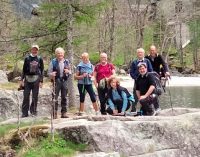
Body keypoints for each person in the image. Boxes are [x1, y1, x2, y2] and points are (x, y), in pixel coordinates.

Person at [20, 44, 44, 117]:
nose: (34, 51)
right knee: (26, 96)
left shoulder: (40, 58)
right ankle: (24, 113)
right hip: (27, 79)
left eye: (36, 49)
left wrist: (41, 81)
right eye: (33, 49)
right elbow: (23, 69)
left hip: (36, 79)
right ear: (31, 50)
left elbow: (42, 70)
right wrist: (21, 80)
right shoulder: (27, 58)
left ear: (38, 50)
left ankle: (33, 111)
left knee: (35, 96)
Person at [48, 47, 71, 119]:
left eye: (61, 53)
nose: (60, 54)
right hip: (56, 81)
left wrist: (68, 72)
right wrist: (52, 74)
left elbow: (71, 71)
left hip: (64, 81)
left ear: (63, 54)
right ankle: (54, 113)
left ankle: (64, 113)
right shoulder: (53, 62)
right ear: (56, 54)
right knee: (55, 97)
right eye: (58, 53)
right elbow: (48, 73)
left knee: (64, 97)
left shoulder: (67, 61)